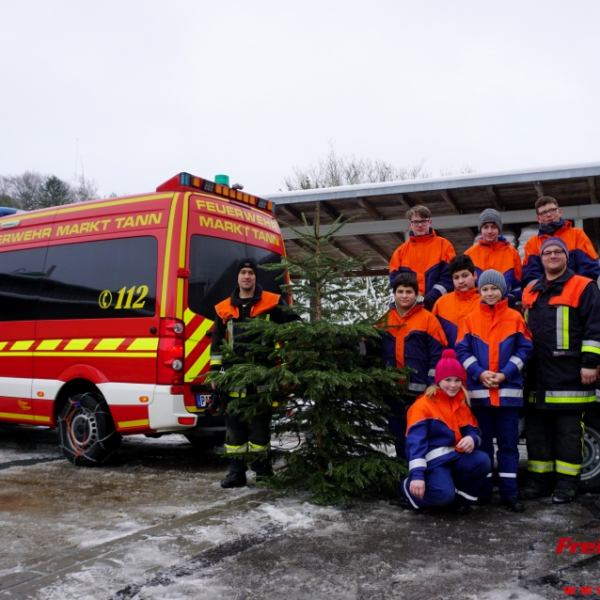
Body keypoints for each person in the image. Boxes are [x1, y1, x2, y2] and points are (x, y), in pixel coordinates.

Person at [210, 257, 301, 489]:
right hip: (233, 379)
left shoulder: (272, 302)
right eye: (243, 273)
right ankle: (236, 473)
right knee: (234, 432)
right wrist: (216, 373)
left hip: (262, 378)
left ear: (255, 277)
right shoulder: (223, 308)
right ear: (238, 277)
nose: (247, 276)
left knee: (260, 431)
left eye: (251, 272)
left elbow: (292, 326)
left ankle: (262, 471)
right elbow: (217, 344)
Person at [521, 237, 600, 504]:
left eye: (558, 252)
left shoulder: (584, 286)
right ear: (541, 258)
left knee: (568, 434)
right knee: (537, 434)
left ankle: (567, 485)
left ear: (567, 257)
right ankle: (539, 482)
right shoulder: (530, 290)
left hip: (570, 376)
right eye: (547, 253)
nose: (552, 256)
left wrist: (590, 363)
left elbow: (594, 327)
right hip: (536, 376)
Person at [455, 269, 533, 512]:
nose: (489, 293)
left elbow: (525, 350)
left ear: (503, 291)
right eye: (485, 289)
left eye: (494, 289)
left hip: (508, 396)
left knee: (509, 446)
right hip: (480, 398)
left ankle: (510, 495)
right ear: (480, 290)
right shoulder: (468, 319)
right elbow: (461, 351)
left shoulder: (516, 317)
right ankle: (485, 491)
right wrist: (479, 373)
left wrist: (504, 374)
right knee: (484, 445)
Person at [400, 349, 490, 514]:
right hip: (433, 463)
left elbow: (473, 429)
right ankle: (409, 488)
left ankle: (459, 498)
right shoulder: (423, 406)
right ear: (438, 381)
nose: (454, 385)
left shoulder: (459, 402)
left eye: (457, 380)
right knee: (443, 496)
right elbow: (415, 444)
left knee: (482, 460)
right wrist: (418, 476)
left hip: (453, 457)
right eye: (448, 380)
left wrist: (472, 438)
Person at [379, 272, 447, 458]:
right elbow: (371, 348)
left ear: (416, 294)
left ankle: (421, 474)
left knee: (418, 436)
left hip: (420, 394)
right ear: (394, 294)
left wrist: (432, 383)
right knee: (397, 436)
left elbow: (438, 355)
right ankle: (403, 476)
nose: (404, 295)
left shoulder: (428, 320)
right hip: (393, 393)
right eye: (400, 291)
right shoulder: (384, 320)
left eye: (409, 291)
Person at [389, 205, 456, 311]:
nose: (420, 225)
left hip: (440, 308)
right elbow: (395, 283)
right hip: (411, 310)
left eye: (423, 221)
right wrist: (412, 301)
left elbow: (449, 278)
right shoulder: (400, 253)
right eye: (416, 222)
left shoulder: (444, 246)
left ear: (430, 222)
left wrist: (431, 298)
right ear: (410, 224)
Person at [522, 196, 600, 286]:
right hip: (545, 295)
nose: (548, 215)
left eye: (552, 210)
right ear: (538, 219)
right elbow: (531, 275)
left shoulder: (577, 235)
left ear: (560, 212)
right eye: (543, 212)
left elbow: (589, 267)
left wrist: (575, 288)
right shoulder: (532, 243)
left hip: (576, 291)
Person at [465, 208, 522, 307]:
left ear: (499, 228)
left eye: (494, 227)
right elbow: (465, 286)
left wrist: (514, 296)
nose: (490, 231)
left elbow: (518, 284)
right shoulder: (469, 254)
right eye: (486, 227)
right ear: (480, 229)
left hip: (505, 307)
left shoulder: (512, 253)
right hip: (477, 308)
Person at [432, 254, 480, 349]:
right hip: (450, 361)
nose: (461, 281)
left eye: (465, 275)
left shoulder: (485, 302)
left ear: (474, 275)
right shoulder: (440, 303)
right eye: (456, 277)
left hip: (478, 362)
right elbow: (434, 339)